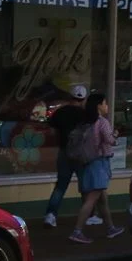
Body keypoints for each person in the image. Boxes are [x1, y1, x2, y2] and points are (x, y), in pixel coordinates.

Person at [69, 92, 125, 243]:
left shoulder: (86, 122)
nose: (107, 106)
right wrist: (115, 135)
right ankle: (77, 231)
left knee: (102, 199)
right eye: (105, 103)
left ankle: (110, 228)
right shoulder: (102, 122)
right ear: (99, 105)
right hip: (99, 163)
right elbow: (110, 140)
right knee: (92, 199)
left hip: (87, 162)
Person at [41, 84, 89, 228]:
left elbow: (51, 129)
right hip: (80, 154)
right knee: (85, 186)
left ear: (70, 97)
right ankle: (89, 215)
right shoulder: (85, 115)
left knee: (61, 186)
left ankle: (50, 215)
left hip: (64, 152)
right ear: (83, 99)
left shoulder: (60, 112)